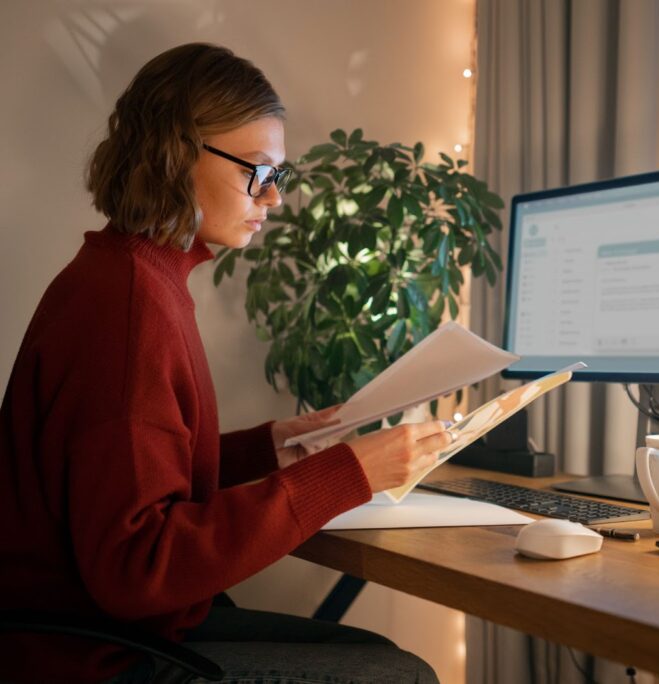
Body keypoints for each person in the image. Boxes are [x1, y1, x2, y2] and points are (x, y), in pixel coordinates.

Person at [0, 43, 450, 683]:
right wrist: (346, 475)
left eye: (281, 177)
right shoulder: (130, 307)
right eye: (259, 171)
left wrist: (268, 450)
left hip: (103, 626)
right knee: (399, 675)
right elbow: (139, 564)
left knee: (382, 657)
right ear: (176, 152)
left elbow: (129, 467)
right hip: (92, 656)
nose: (273, 199)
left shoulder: (133, 276)